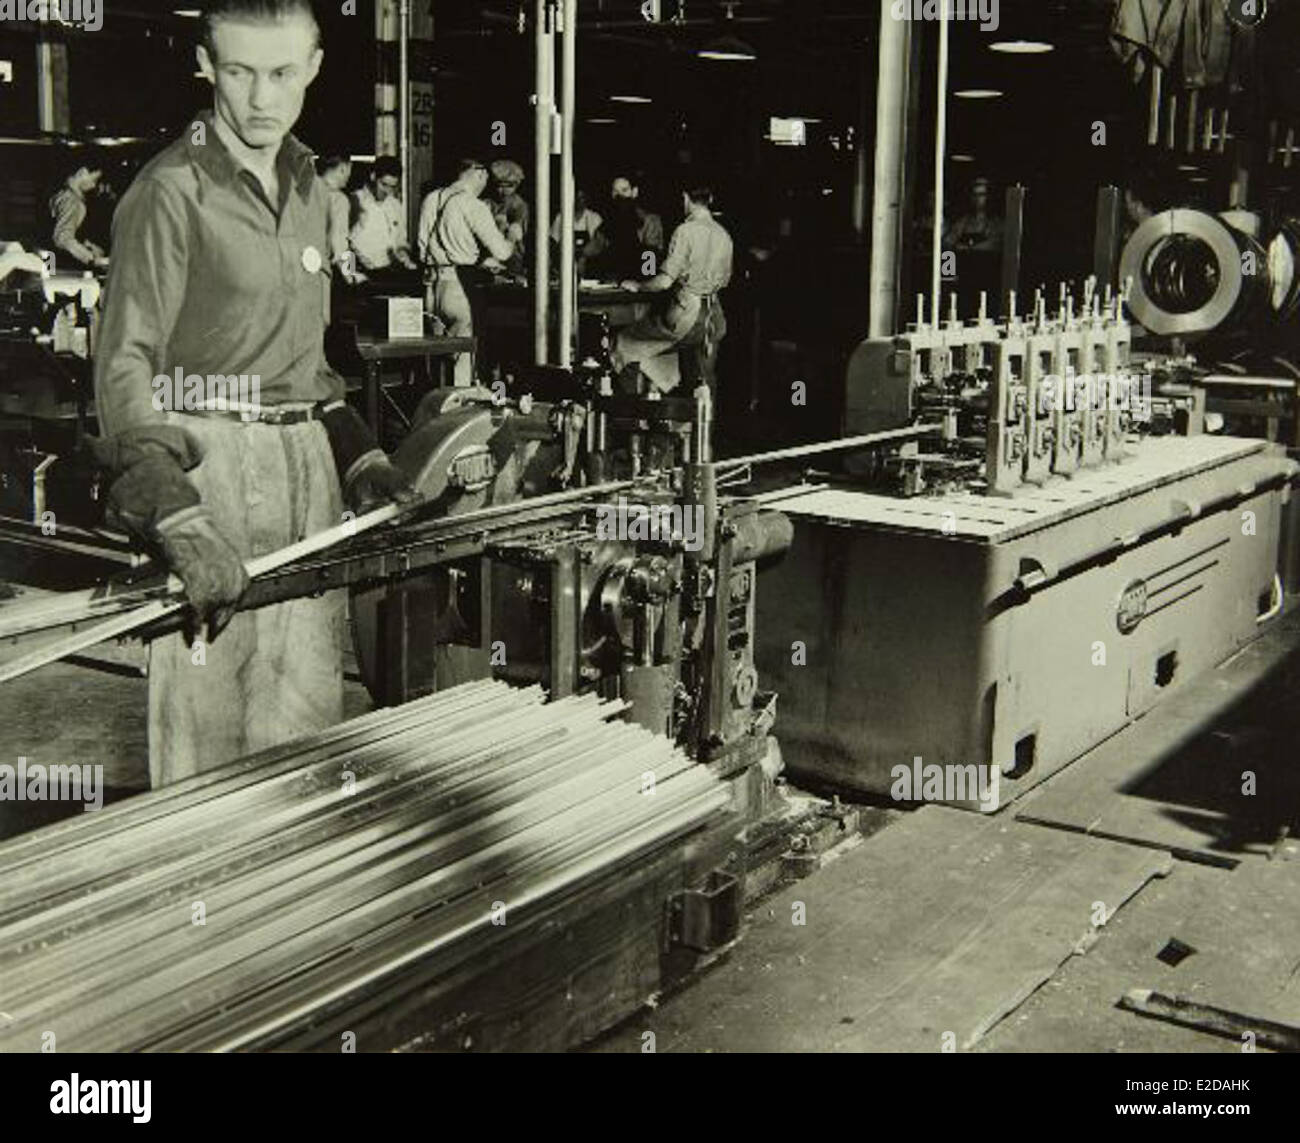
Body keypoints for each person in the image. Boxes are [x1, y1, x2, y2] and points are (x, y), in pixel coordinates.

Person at [92, 0, 418, 786]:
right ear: (206, 68)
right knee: (207, 738)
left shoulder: (312, 188)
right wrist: (172, 509)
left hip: (304, 469)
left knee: (304, 718)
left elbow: (311, 365)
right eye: (239, 72)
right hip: (210, 464)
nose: (261, 98)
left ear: (313, 67)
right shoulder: (169, 192)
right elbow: (126, 361)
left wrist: (360, 455)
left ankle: (300, 892)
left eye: (281, 73)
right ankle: (206, 898)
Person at [614, 181, 733, 395]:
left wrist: (638, 285)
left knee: (623, 344)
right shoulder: (724, 234)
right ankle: (699, 427)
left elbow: (664, 282)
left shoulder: (685, 231)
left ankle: (631, 419)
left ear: (685, 198)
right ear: (710, 200)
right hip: (715, 317)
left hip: (687, 314)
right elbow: (725, 280)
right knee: (703, 382)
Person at [417, 158, 514, 386]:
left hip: (431, 288)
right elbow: (502, 252)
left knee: (438, 361)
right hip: (460, 289)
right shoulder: (472, 204)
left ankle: (437, 414)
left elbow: (424, 248)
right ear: (478, 174)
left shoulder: (431, 198)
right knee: (464, 361)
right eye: (486, 178)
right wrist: (512, 235)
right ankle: (460, 415)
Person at [349, 155, 416, 273]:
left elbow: (400, 240)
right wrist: (350, 276)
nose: (387, 191)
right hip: (362, 275)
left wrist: (402, 252)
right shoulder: (354, 201)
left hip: (390, 275)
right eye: (384, 185)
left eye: (393, 187)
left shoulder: (395, 205)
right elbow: (343, 244)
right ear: (373, 176)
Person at [50, 163, 109, 271]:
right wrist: (91, 259)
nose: (93, 186)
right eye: (94, 180)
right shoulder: (71, 200)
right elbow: (63, 238)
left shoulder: (62, 193)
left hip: (49, 260)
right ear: (82, 172)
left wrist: (88, 246)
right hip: (56, 263)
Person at [316, 154, 364, 284]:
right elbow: (339, 244)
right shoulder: (339, 199)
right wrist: (351, 274)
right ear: (343, 168)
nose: (350, 176)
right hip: (321, 272)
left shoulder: (301, 190)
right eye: (350, 169)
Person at [487, 158, 528, 274]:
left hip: (511, 257)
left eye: (507, 186)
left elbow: (515, 233)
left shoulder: (519, 205)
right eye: (498, 185)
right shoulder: (489, 202)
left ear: (516, 185)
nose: (501, 190)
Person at [943, 176, 1004, 254]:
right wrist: (956, 246)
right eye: (975, 195)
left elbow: (996, 243)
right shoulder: (963, 222)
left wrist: (970, 248)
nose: (977, 198)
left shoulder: (996, 223)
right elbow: (947, 241)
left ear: (989, 197)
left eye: (981, 195)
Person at [551, 188, 605, 274]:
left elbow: (600, 245)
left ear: (587, 199)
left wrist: (583, 256)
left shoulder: (595, 218)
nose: (579, 201)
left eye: (582, 198)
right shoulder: (561, 217)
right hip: (565, 265)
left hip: (589, 267)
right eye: (576, 198)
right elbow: (553, 243)